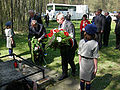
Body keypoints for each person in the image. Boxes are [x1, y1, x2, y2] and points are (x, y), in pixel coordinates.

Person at [57, 13, 77, 81]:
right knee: (63, 60)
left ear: (62, 19)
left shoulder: (69, 24)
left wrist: (64, 38)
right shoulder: (59, 24)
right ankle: (64, 73)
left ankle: (73, 69)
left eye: (58, 19)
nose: (57, 21)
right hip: (63, 46)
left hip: (70, 46)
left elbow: (72, 36)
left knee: (70, 60)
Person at [78, 24, 99, 90]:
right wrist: (96, 67)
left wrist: (79, 62)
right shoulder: (95, 43)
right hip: (90, 63)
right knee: (88, 81)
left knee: (82, 79)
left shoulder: (81, 41)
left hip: (83, 62)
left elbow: (79, 53)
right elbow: (95, 57)